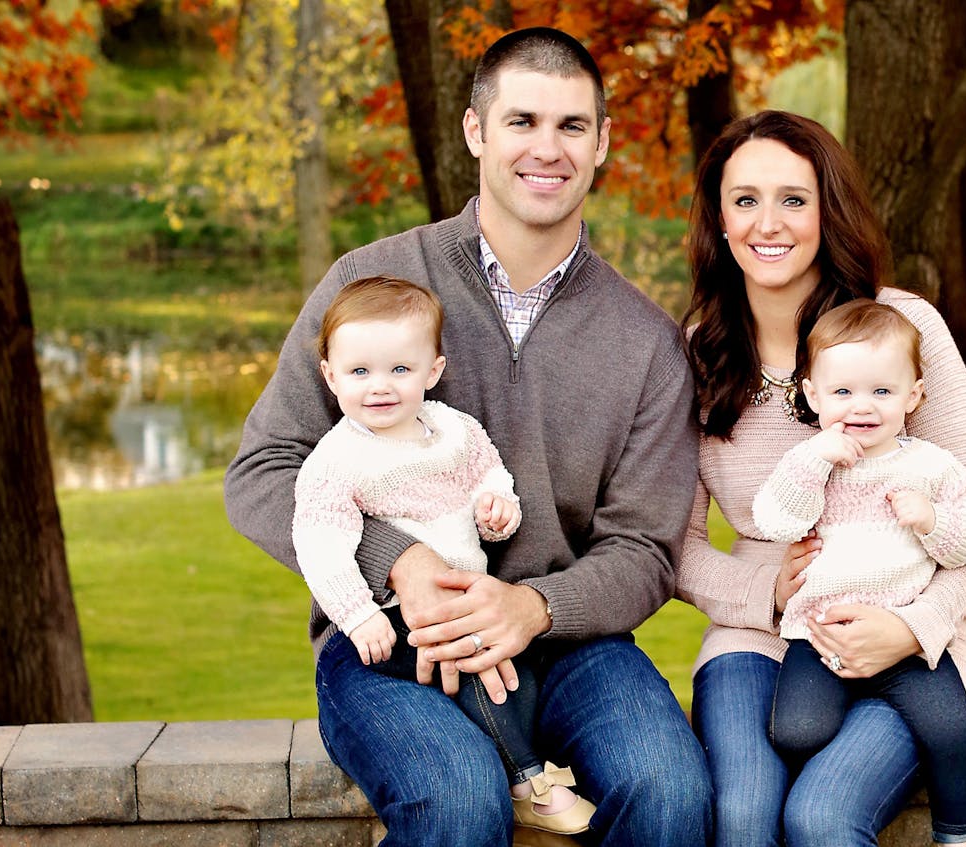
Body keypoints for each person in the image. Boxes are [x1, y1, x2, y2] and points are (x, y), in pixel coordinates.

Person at [225, 26, 710, 847]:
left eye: (572, 127)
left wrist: (534, 605)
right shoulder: (369, 284)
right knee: (457, 798)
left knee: (671, 792)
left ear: (602, 145)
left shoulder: (647, 342)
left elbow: (646, 550)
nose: (546, 149)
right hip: (393, 640)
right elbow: (264, 469)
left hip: (569, 643)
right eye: (521, 121)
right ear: (476, 131)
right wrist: (399, 562)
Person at [676, 109, 966, 847]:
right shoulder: (698, 351)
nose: (769, 222)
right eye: (745, 199)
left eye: (794, 198)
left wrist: (911, 627)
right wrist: (768, 591)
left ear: (829, 211)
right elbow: (675, 544)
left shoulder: (902, 328)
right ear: (719, 219)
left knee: (820, 818)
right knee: (746, 816)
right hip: (757, 636)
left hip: (909, 630)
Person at [292, 275, 593, 835]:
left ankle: (520, 770)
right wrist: (357, 615)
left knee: (512, 669)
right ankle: (530, 781)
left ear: (432, 371)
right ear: (330, 376)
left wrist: (495, 504)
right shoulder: (336, 461)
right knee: (483, 670)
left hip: (468, 600)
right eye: (359, 372)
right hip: (388, 619)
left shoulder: (452, 429)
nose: (380, 387)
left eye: (400, 370)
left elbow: (488, 472)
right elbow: (320, 545)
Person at [752, 299, 966, 846]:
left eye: (882, 392)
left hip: (905, 640)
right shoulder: (809, 462)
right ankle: (851, 715)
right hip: (820, 635)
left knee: (951, 728)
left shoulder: (930, 466)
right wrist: (815, 459)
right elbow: (774, 520)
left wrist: (932, 522)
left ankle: (961, 835)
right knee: (794, 732)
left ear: (914, 396)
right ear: (812, 395)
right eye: (842, 392)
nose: (861, 407)